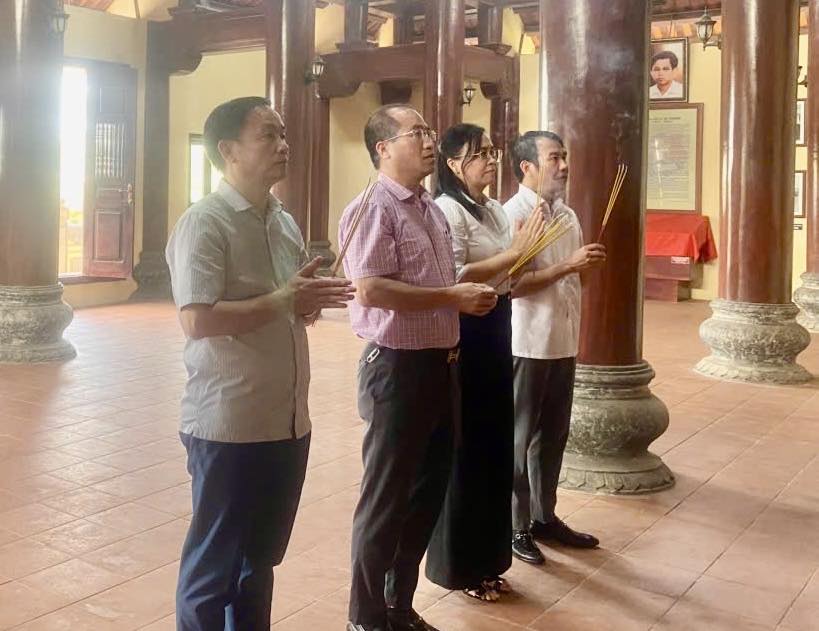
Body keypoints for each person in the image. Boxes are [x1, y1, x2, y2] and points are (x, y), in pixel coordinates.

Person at [166, 96, 355, 631]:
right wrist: (284, 300)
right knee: (214, 570)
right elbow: (197, 319)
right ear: (228, 150)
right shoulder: (204, 223)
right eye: (268, 135)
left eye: (283, 134)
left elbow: (287, 306)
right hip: (230, 423)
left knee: (258, 564)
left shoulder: (282, 222)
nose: (283, 145)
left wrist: (308, 302)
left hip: (285, 421)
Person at [340, 105, 498, 631]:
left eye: (430, 132)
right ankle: (365, 617)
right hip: (397, 368)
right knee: (386, 498)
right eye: (417, 133)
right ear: (383, 148)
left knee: (426, 493)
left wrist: (458, 295)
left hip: (440, 365)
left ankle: (399, 606)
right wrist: (451, 297)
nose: (430, 141)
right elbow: (371, 288)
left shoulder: (428, 207)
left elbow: (437, 281)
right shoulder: (373, 207)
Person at [425, 123, 545, 602]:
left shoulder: (493, 209)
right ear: (454, 164)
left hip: (497, 320)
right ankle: (459, 566)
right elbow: (453, 275)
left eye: (493, 151)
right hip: (466, 330)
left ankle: (490, 559)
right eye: (480, 154)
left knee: (496, 443)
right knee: (466, 446)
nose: (491, 160)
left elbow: (507, 269)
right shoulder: (447, 209)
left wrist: (523, 257)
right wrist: (513, 254)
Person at [504, 131, 607, 566]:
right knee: (519, 437)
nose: (563, 166)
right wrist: (568, 265)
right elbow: (512, 285)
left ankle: (545, 516)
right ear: (527, 167)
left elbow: (577, 281)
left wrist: (584, 266)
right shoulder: (512, 215)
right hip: (527, 342)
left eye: (565, 157)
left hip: (563, 339)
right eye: (554, 158)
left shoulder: (566, 214)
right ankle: (515, 525)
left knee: (553, 436)